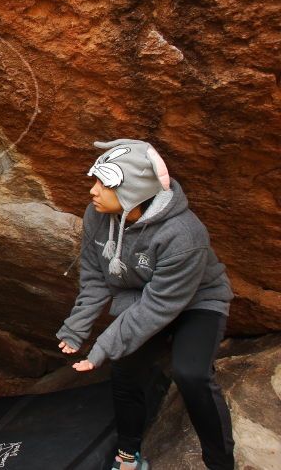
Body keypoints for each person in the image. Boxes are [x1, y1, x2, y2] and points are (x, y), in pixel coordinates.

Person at [56, 139, 235, 470]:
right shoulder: (96, 216)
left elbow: (159, 307)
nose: (92, 191)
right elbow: (96, 277)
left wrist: (102, 347)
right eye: (95, 180)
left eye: (104, 183)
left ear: (134, 192)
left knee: (190, 373)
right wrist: (77, 327)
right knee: (125, 369)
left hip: (197, 302)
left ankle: (220, 462)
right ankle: (129, 453)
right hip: (141, 296)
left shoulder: (184, 234)